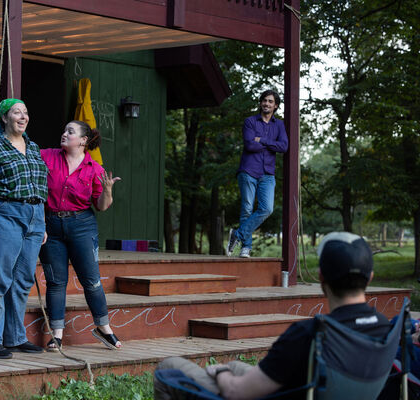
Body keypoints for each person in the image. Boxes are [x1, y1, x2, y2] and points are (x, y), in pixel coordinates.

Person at [155, 232, 391, 400]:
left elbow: (235, 392)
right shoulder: (387, 330)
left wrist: (221, 373)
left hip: (254, 392)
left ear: (321, 278)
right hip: (308, 387)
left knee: (168, 367)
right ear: (370, 278)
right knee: (235, 365)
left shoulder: (308, 335)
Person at [0, 98, 48, 359]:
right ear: (4, 118)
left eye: (25, 112)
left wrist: (41, 222)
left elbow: (39, 187)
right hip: (5, 216)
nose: (23, 116)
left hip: (34, 217)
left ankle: (14, 337)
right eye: (17, 112)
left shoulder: (33, 147)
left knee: (23, 279)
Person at [39, 120, 122, 351]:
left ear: (84, 140)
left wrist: (107, 190)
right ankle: (56, 335)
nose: (64, 134)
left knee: (91, 281)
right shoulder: (47, 156)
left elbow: (101, 206)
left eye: (70, 131)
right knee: (56, 282)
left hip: (82, 226)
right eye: (64, 130)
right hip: (51, 225)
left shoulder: (94, 169)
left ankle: (103, 328)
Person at [226, 90, 288, 258]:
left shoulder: (279, 125)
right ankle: (246, 248)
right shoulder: (250, 121)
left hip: (267, 173)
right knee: (247, 209)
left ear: (276, 106)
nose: (267, 103)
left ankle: (237, 235)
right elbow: (250, 145)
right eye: (264, 100)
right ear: (260, 103)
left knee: (267, 208)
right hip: (248, 170)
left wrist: (262, 140)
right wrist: (271, 144)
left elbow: (283, 146)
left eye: (270, 101)